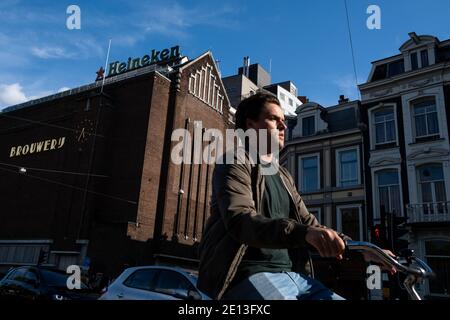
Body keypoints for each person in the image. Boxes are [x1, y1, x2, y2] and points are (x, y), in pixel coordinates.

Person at [197, 92, 393, 300]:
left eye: (284, 120)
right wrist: (304, 233)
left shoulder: (283, 175)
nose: (284, 126)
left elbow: (309, 222)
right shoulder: (234, 162)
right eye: (274, 119)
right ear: (251, 124)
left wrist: (362, 250)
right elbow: (240, 220)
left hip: (296, 277)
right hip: (249, 274)